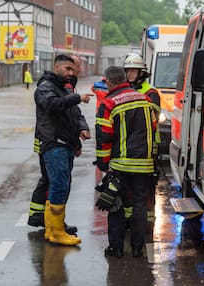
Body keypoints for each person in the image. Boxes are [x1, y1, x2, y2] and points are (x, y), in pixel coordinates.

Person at [95, 66, 157, 258]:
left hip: (120, 164)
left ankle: (116, 248)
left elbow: (104, 137)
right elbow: (153, 127)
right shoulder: (145, 99)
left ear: (109, 82)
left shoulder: (109, 103)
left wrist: (103, 164)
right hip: (144, 163)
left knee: (116, 205)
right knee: (140, 205)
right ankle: (138, 248)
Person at [28, 55, 90, 236]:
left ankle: (55, 223)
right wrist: (77, 98)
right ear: (56, 67)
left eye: (74, 68)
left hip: (65, 143)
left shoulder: (64, 87)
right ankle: (50, 225)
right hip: (53, 144)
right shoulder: (46, 88)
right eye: (69, 69)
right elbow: (52, 105)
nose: (73, 72)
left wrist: (81, 132)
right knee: (55, 183)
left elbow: (74, 115)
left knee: (61, 183)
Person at [123, 52, 161, 230]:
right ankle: (130, 220)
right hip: (127, 147)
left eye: (133, 70)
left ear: (142, 72)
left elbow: (150, 120)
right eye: (128, 70)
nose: (130, 74)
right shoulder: (125, 90)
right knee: (128, 187)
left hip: (148, 148)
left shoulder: (151, 92)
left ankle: (147, 221)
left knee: (146, 187)